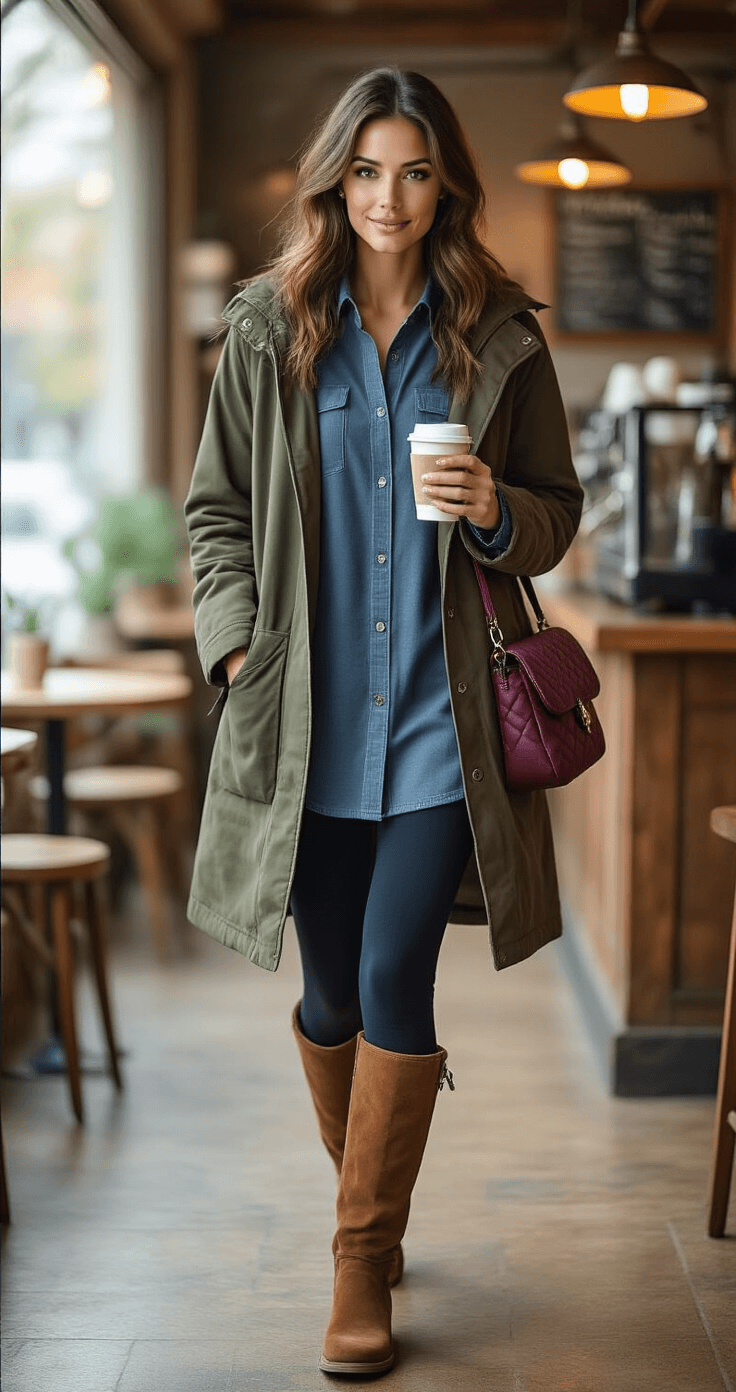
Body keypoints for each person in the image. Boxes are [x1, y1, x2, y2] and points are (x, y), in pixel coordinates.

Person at [184, 67, 583, 1377]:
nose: (389, 198)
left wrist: (491, 510)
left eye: (414, 172)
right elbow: (215, 515)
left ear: (444, 184)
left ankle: (359, 1261)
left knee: (396, 978)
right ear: (334, 181)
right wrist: (238, 648)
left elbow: (556, 512)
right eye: (366, 172)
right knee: (327, 996)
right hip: (299, 726)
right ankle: (376, 1203)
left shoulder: (502, 335)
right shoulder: (268, 327)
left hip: (434, 722)